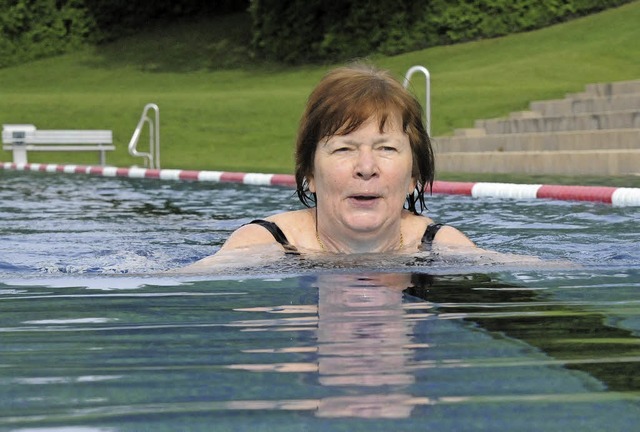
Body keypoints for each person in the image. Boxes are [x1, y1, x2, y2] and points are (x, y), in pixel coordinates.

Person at [180, 63, 476, 271]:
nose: (366, 167)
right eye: (344, 148)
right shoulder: (269, 242)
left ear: (414, 176)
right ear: (310, 175)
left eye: (386, 148)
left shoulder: (438, 244)